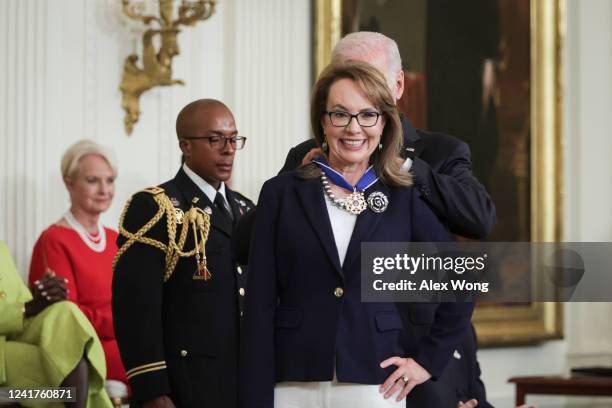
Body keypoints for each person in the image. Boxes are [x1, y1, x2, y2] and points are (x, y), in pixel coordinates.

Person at [276, 31, 495, 408]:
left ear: (397, 85)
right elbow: (255, 247)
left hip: (421, 353)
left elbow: (478, 220)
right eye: (346, 77)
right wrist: (294, 180)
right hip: (336, 357)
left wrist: (406, 167)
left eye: (370, 79)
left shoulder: (440, 152)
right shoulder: (308, 156)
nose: (357, 91)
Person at [112, 99, 254, 407]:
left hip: (239, 381)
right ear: (186, 145)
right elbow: (136, 307)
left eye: (233, 139)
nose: (228, 149)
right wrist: (152, 388)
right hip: (185, 384)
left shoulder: (244, 208)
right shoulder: (156, 207)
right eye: (215, 139)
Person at [28, 139, 128, 396]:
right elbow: (68, 319)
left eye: (110, 180)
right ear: (69, 183)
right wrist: (124, 322)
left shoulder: (116, 238)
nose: (104, 189)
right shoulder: (54, 239)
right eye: (93, 180)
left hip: (124, 338)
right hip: (87, 350)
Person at [0, 241, 113, 408]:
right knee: (60, 368)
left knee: (64, 311)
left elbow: (17, 300)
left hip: (18, 329)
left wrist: (41, 296)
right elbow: (22, 308)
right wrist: (27, 308)